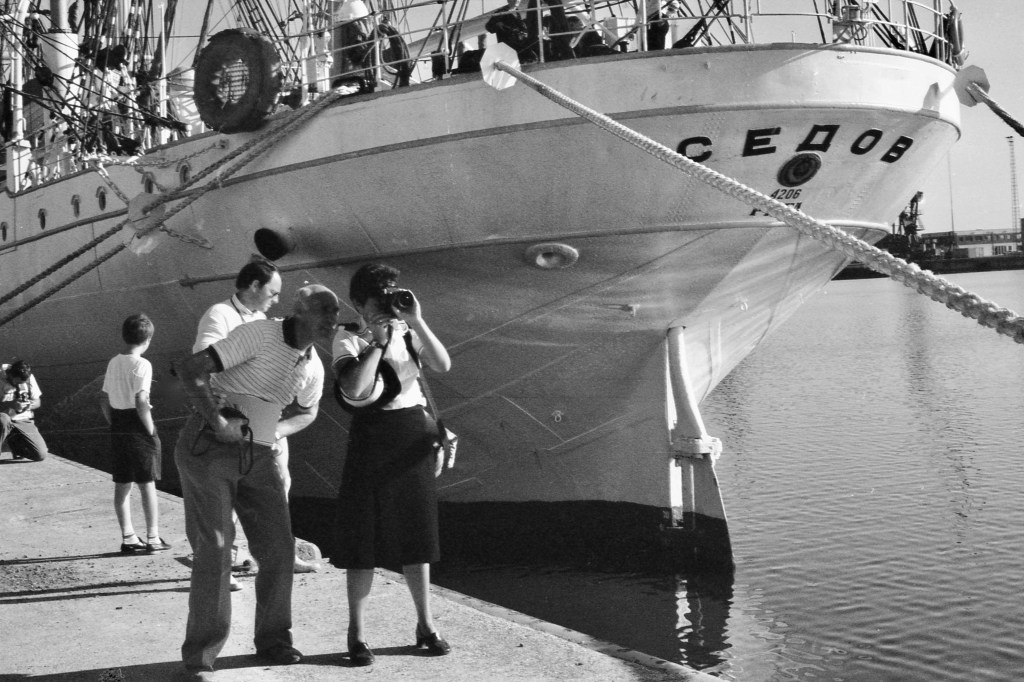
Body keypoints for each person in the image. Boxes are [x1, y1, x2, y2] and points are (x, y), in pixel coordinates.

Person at [173, 284, 340, 678]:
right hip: (209, 447)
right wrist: (217, 420)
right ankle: (201, 658)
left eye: (336, 312)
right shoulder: (260, 333)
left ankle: (274, 641)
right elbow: (191, 369)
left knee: (279, 549)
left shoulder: (313, 365)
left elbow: (308, 411)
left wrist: (274, 431)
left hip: (260, 455)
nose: (333, 319)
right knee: (216, 549)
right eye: (324, 310)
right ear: (299, 309)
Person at [332, 263, 452, 666]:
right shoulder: (347, 336)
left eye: (390, 293)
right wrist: (377, 343)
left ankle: (426, 625)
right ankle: (357, 633)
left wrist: (416, 320)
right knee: (362, 537)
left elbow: (442, 364)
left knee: (418, 535)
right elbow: (354, 387)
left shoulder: (408, 331)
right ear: (357, 302)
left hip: (411, 433)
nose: (385, 303)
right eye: (377, 297)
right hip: (371, 435)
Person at [99, 315, 170, 554]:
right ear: (148, 340)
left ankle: (128, 537)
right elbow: (141, 400)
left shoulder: (113, 362)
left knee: (122, 484)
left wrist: (114, 422)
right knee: (147, 484)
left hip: (118, 424)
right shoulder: (143, 364)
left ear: (124, 336)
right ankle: (153, 538)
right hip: (138, 426)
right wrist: (150, 429)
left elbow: (103, 398)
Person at [1, 359, 49, 461]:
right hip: (3, 418)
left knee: (40, 455)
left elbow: (38, 402)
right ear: (10, 375)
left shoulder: (29, 378)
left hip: (22, 419)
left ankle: (16, 446)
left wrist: (29, 405)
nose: (18, 385)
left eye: (22, 383)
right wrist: (10, 404)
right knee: (3, 419)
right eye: (17, 382)